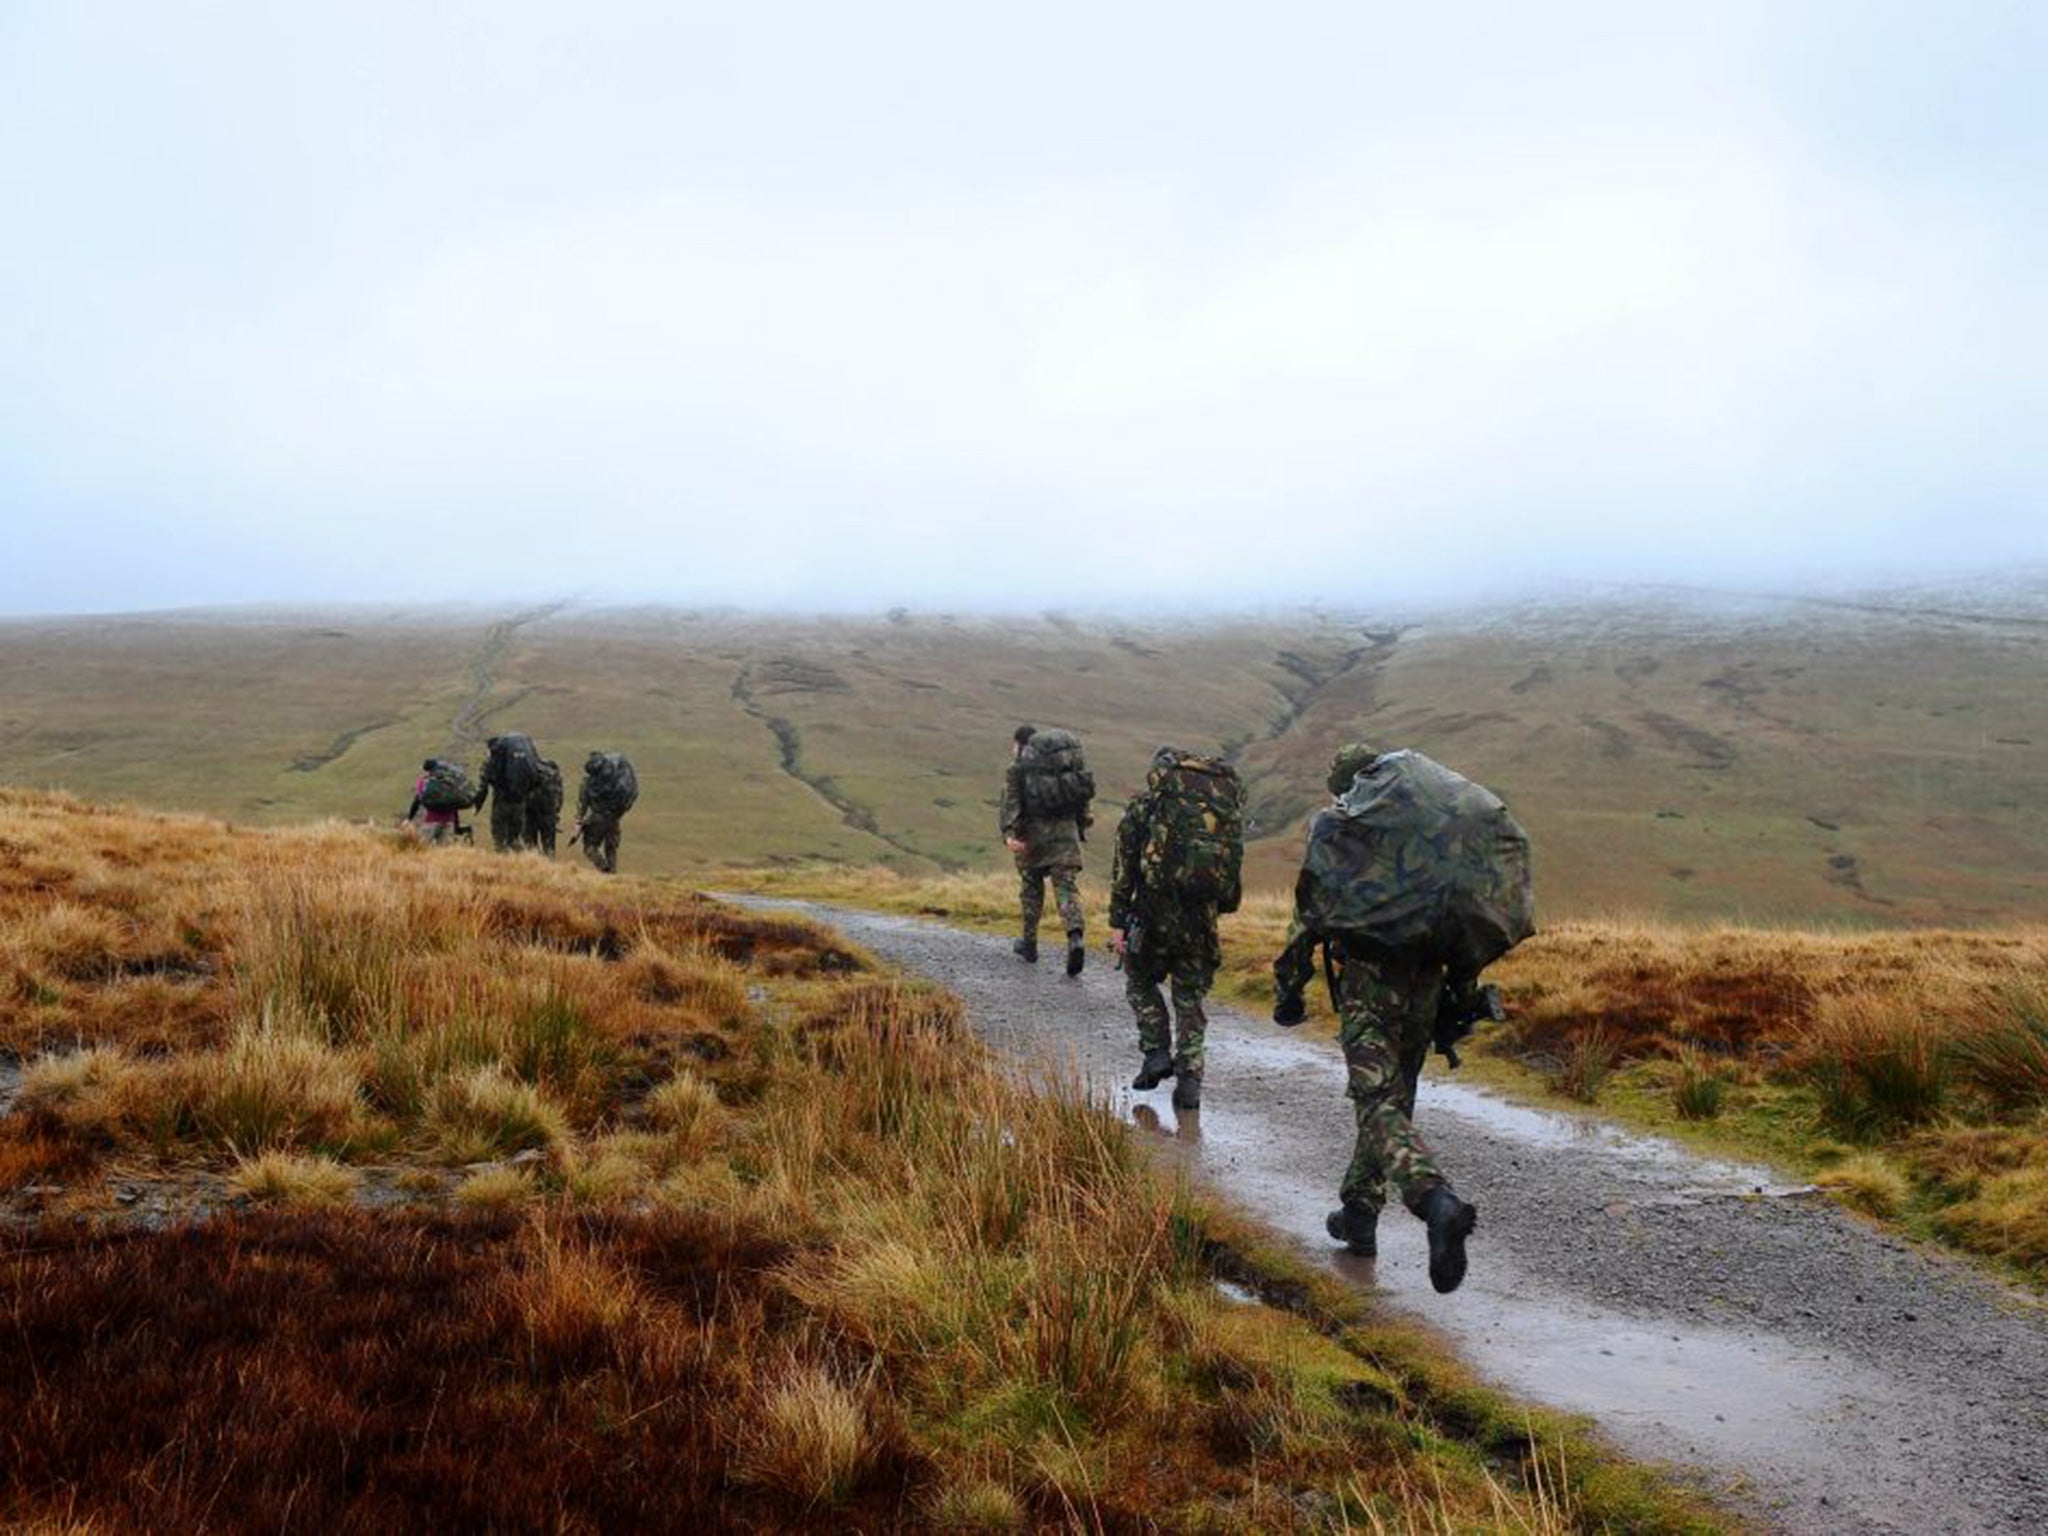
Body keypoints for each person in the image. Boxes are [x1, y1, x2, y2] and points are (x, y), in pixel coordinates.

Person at [1273, 742, 1527, 1295]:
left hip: (1372, 979)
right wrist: (1459, 989)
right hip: (1428, 981)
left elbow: (1309, 917)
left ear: (1346, 787)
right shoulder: (1425, 832)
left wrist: (1288, 989)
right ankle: (1359, 1215)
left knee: (1375, 1101)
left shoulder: (1348, 830)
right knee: (1397, 1092)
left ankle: (1434, 1200)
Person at [1108, 746, 1244, 1111]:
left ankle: (1155, 1052)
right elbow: (1230, 885)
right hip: (1201, 921)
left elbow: (1125, 871)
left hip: (1152, 916)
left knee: (1138, 980)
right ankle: (1190, 1080)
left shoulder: (1145, 809)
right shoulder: (1219, 813)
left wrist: (1117, 921)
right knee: (1190, 998)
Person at [1000, 724, 1090, 976]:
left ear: (1020, 744)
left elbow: (1012, 805)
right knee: (1066, 888)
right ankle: (1075, 937)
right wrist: (1080, 829)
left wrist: (1008, 834)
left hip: (1032, 840)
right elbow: (1083, 804)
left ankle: (1029, 944)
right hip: (1067, 838)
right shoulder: (1064, 770)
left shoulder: (1017, 769)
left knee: (1031, 890)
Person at [576, 750, 638, 873]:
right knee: (611, 849)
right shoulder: (616, 780)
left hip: (598, 819)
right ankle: (612, 874)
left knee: (589, 847)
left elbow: (583, 804)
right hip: (615, 818)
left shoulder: (588, 783)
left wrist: (578, 821)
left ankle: (603, 868)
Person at [402, 758, 469, 844]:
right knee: (445, 854)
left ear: (426, 770)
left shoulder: (424, 781)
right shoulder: (449, 781)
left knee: (422, 849)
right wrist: (456, 825)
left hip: (432, 819)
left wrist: (409, 818)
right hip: (449, 820)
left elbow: (417, 801)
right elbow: (454, 804)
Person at [529, 759, 564, 857]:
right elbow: (560, 799)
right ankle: (550, 867)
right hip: (549, 815)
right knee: (549, 846)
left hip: (531, 815)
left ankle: (533, 866)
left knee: (531, 845)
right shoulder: (555, 778)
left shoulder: (533, 775)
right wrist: (556, 813)